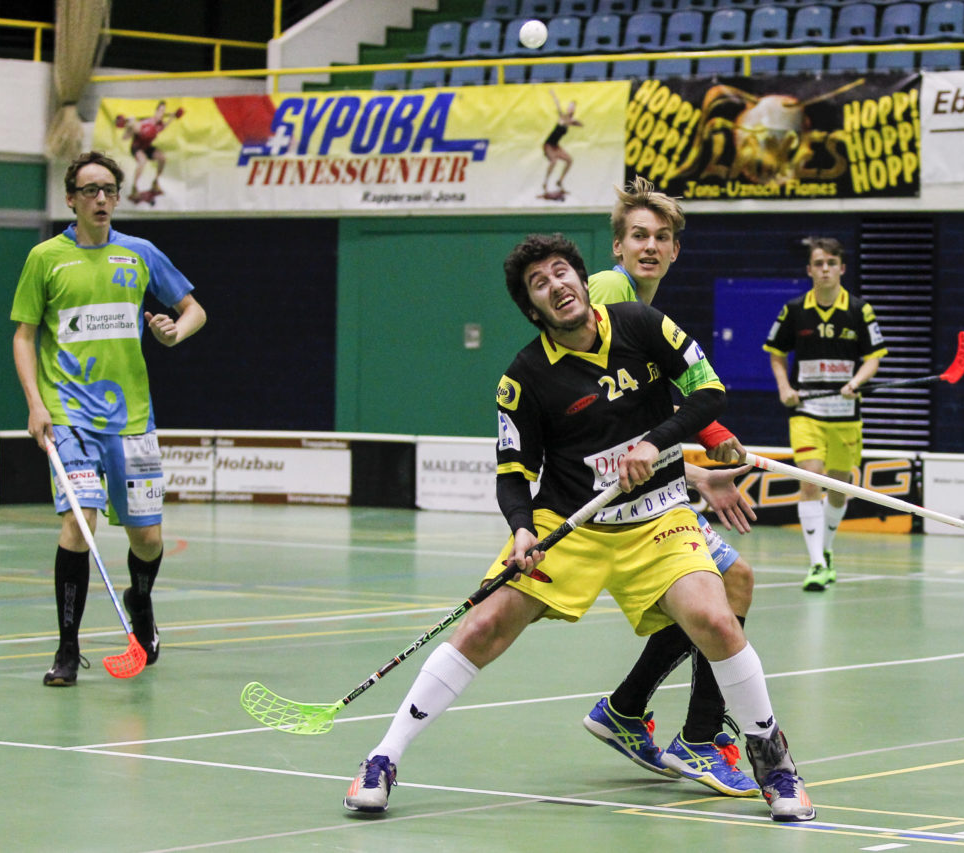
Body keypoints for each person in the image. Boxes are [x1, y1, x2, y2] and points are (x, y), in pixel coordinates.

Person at [343, 233, 814, 823]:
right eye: (540, 283)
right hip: (569, 526)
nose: (556, 285)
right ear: (532, 308)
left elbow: (708, 391)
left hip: (658, 518)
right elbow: (514, 473)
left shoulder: (643, 324)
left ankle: (774, 762)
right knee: (485, 624)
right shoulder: (524, 378)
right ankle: (382, 759)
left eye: (562, 272)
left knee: (716, 618)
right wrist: (519, 530)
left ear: (582, 280)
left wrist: (657, 443)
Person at [582, 176, 761, 798]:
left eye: (662, 237)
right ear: (618, 247)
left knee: (730, 584)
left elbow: (639, 417)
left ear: (676, 250)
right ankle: (700, 738)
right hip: (611, 505)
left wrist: (703, 462)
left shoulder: (648, 313)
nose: (651, 246)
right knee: (728, 588)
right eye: (639, 236)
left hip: (641, 485)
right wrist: (708, 432)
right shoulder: (609, 291)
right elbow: (602, 417)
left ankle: (628, 711)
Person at [11, 150, 206, 686]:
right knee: (80, 524)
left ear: (117, 197)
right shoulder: (45, 258)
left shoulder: (139, 253)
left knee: (147, 539)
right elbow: (24, 336)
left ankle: (139, 603)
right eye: (90, 190)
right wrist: (36, 403)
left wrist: (174, 332)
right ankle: (68, 650)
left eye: (109, 190)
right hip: (70, 416)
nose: (101, 199)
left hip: (132, 421)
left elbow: (195, 309)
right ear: (70, 198)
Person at [765, 237, 887, 591]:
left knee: (837, 489)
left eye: (831, 263)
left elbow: (874, 357)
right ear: (809, 270)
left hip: (845, 414)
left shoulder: (859, 310)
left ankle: (826, 552)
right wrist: (784, 388)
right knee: (810, 480)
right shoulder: (794, 310)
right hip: (807, 412)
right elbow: (775, 353)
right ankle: (816, 564)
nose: (824, 269)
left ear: (841, 268)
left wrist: (856, 382)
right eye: (818, 263)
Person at [117, 100, 183, 199]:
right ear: (156, 112)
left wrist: (173, 116)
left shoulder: (159, 126)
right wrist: (130, 124)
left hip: (147, 147)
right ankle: (134, 187)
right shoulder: (143, 123)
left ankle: (155, 182)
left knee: (162, 158)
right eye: (160, 111)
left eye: (163, 111)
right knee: (142, 161)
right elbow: (125, 138)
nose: (161, 114)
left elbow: (165, 125)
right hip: (137, 147)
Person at [542, 90, 582, 197]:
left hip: (556, 146)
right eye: (570, 106)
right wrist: (553, 95)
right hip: (549, 144)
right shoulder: (562, 117)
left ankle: (560, 181)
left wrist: (575, 122)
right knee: (554, 161)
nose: (571, 108)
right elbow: (558, 105)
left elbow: (580, 124)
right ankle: (545, 183)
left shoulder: (570, 120)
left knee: (569, 160)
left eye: (573, 107)